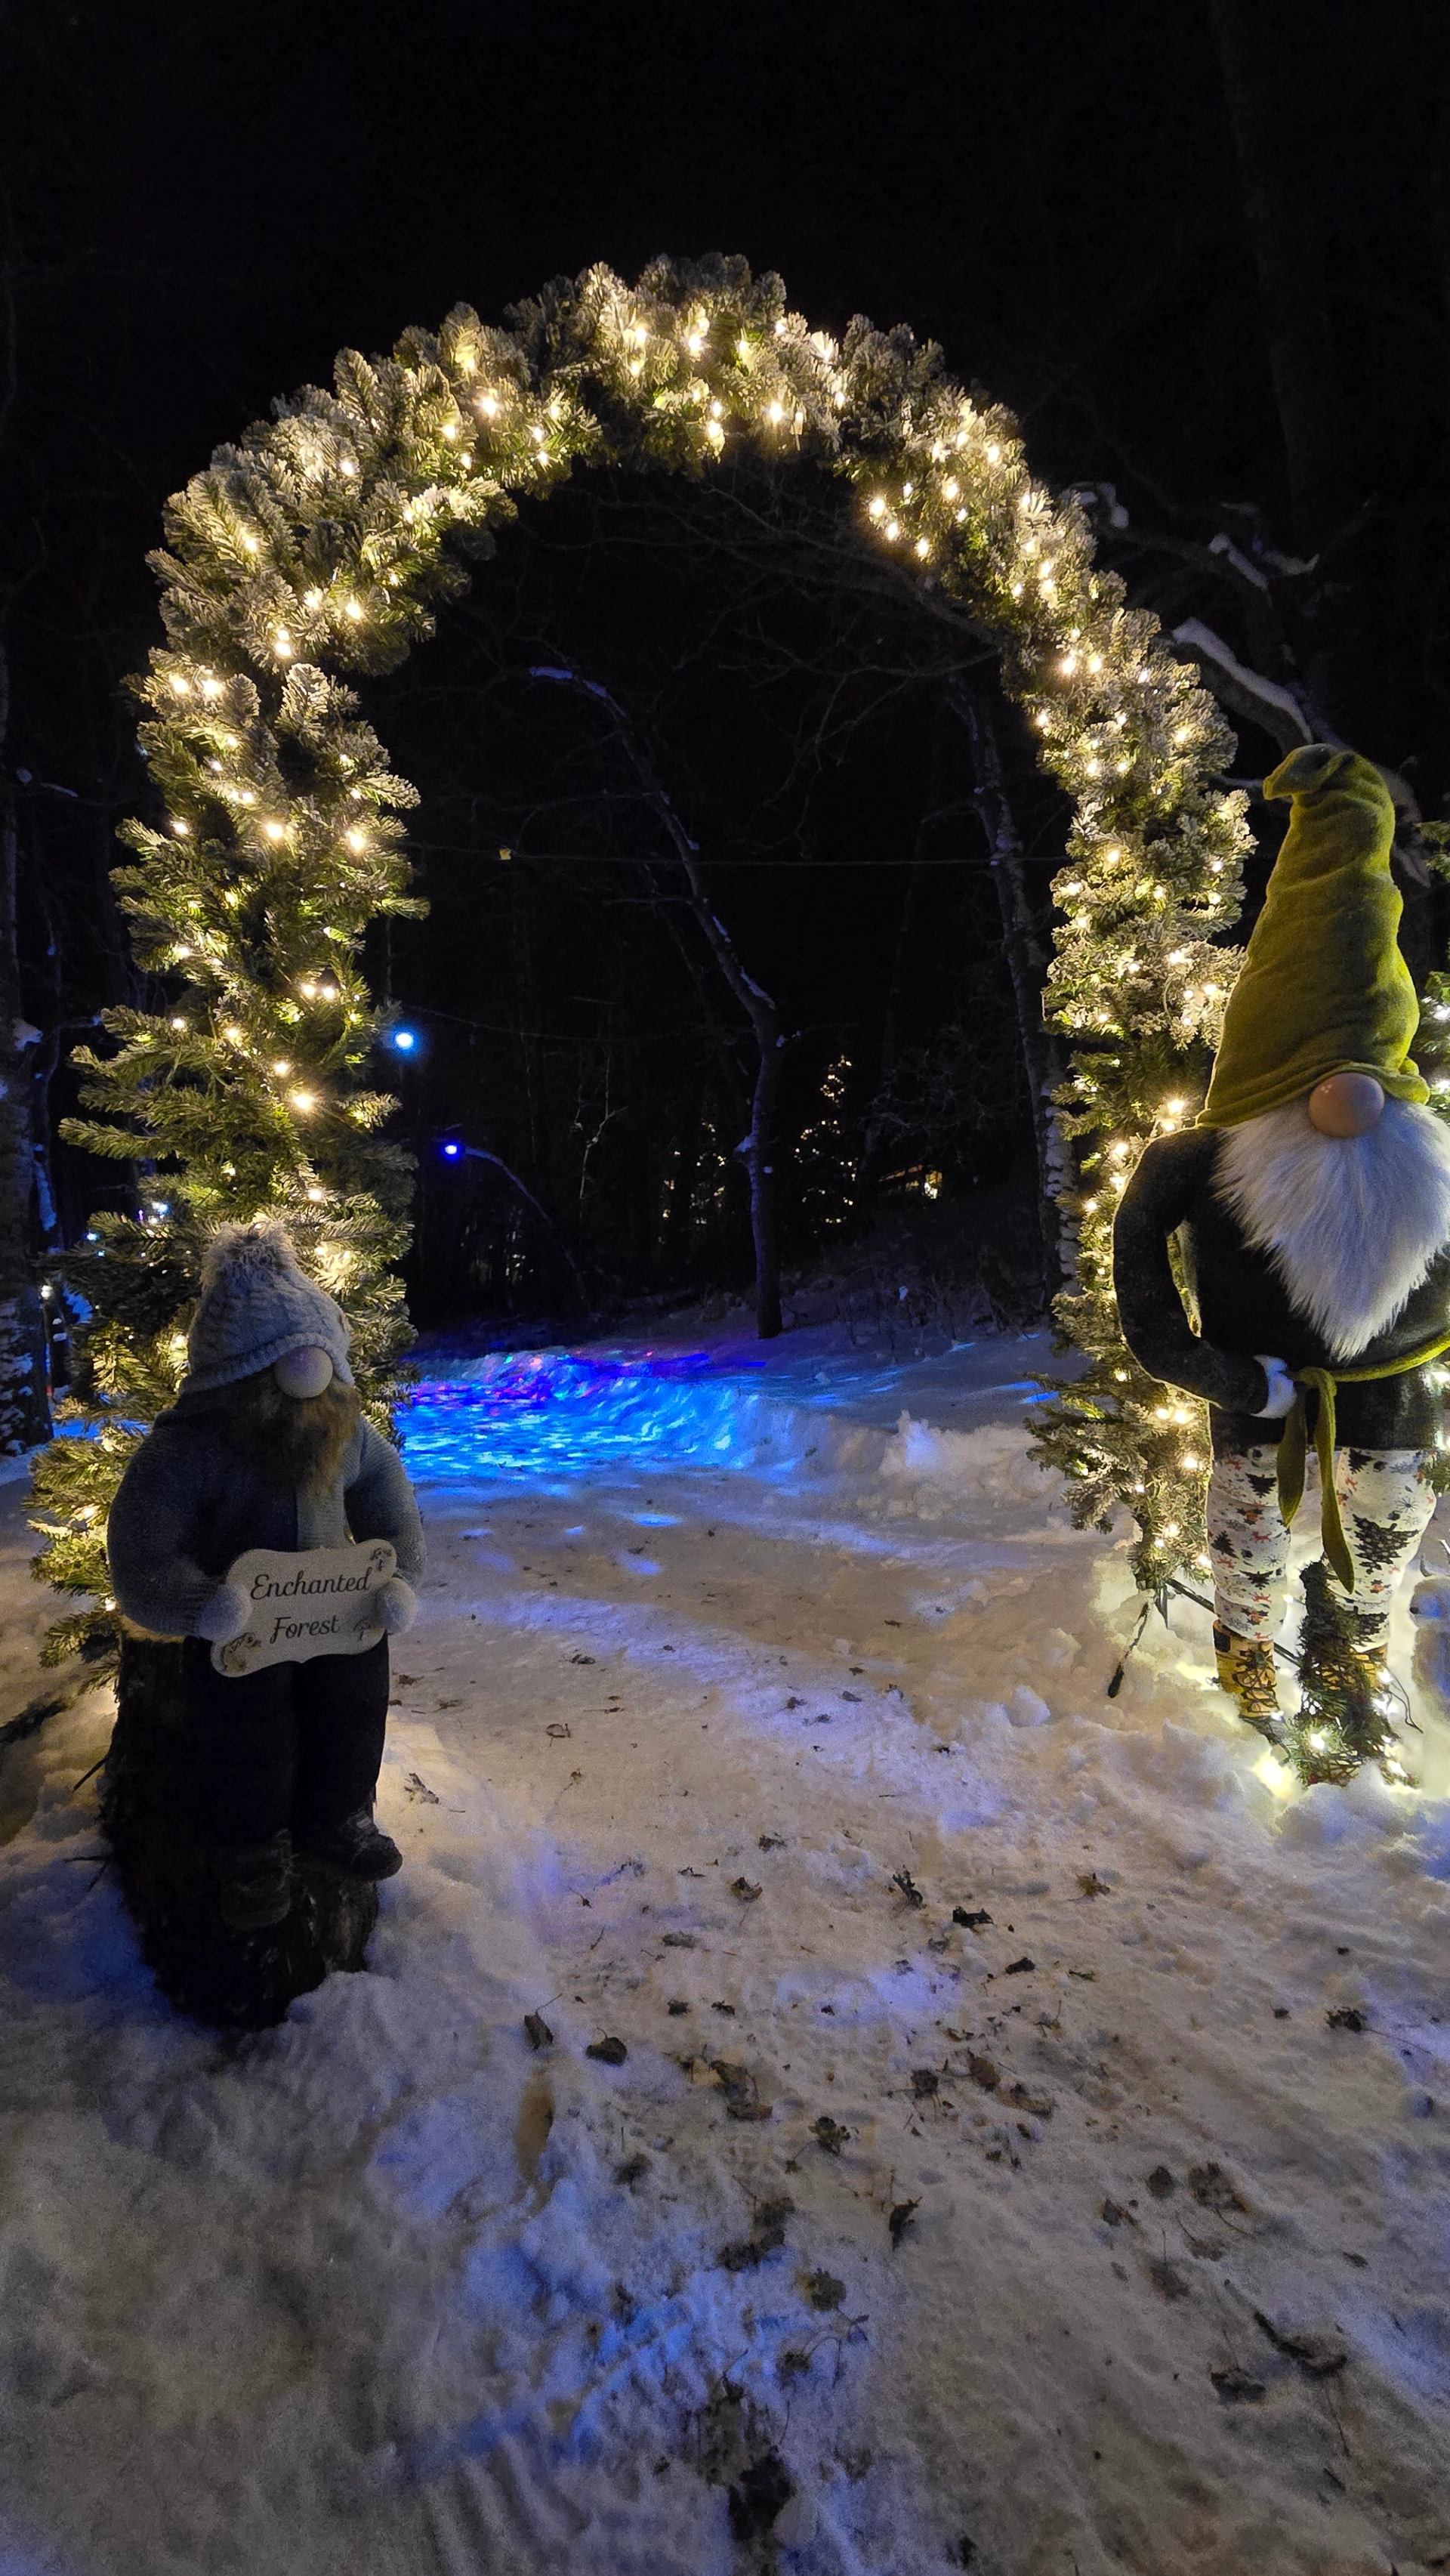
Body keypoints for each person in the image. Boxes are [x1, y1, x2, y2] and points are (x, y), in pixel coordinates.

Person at [1113, 745, 1450, 1741]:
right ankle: (1249, 1665)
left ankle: (1354, 1673)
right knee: (1246, 1539)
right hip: (1262, 1390)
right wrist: (1221, 1375)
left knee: (1381, 1544)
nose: (1342, 1096)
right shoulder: (1204, 1156)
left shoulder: (1425, 1150)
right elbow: (1139, 1265)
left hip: (1394, 1391)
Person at [107, 1219, 425, 1930]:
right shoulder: (189, 1449)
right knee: (247, 1730)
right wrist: (197, 1607)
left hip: (339, 1616)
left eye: (319, 1354)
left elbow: (392, 1507)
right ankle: (251, 1848)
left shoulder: (347, 1435)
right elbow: (140, 1550)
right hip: (243, 1626)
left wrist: (397, 1578)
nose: (311, 1373)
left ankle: (340, 1815)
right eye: (289, 1358)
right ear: (237, 1371)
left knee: (352, 1707)